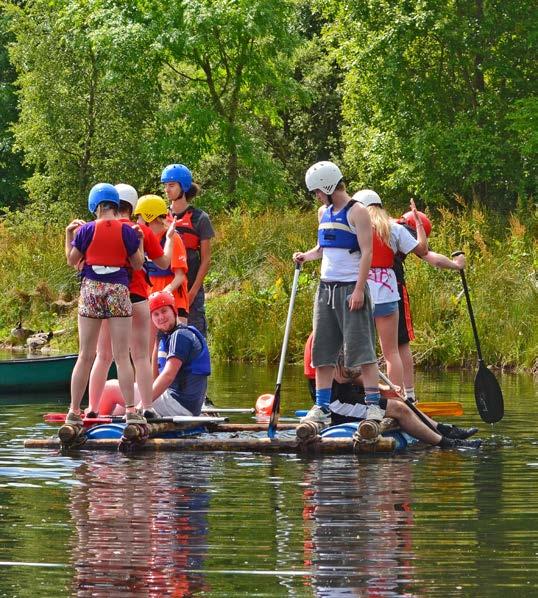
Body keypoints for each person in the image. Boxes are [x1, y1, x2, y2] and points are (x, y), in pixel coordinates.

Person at [293, 161, 383, 423]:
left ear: (329, 186)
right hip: (326, 289)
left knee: (362, 349)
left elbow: (367, 252)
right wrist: (305, 256)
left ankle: (373, 404)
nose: (317, 197)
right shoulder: (324, 212)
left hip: (350, 288)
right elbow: (321, 249)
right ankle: (322, 407)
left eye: (318, 191)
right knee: (323, 350)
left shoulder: (358, 212)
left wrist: (358, 290)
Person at [86, 184, 175, 417]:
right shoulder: (140, 230)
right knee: (141, 356)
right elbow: (164, 263)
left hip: (110, 299)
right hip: (137, 299)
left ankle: (92, 408)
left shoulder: (100, 229)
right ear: (132, 205)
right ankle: (146, 407)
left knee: (103, 356)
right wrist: (171, 239)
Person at [63, 183, 146, 425]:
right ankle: (131, 411)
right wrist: (139, 242)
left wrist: (69, 235)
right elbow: (138, 264)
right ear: (115, 205)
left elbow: (72, 260)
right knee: (122, 356)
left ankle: (74, 411)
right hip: (119, 290)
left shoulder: (86, 230)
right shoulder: (128, 231)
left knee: (86, 355)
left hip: (91, 289)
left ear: (95, 206)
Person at [352, 190, 427, 394]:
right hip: (387, 296)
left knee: (363, 353)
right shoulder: (394, 229)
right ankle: (398, 398)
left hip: (361, 295)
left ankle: (370, 398)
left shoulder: (355, 228)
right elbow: (423, 250)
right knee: (391, 352)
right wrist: (418, 223)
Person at [96, 291, 211, 418]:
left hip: (178, 404)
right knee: (120, 407)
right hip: (178, 402)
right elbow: (155, 379)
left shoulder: (181, 336)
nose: (160, 317)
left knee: (109, 389)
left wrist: (142, 405)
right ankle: (107, 420)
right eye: (155, 314)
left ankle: (93, 425)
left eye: (164, 311)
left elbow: (168, 375)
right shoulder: (166, 338)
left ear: (174, 311)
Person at [327, 357, 481, 448]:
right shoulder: (328, 336)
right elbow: (341, 377)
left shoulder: (344, 331)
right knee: (398, 408)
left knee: (398, 400)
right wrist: (367, 364)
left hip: (350, 393)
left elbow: (352, 376)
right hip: (338, 402)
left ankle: (444, 429)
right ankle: (447, 444)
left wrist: (382, 388)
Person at [394, 210, 467, 403]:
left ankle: (373, 394)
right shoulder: (405, 231)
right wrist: (456, 265)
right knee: (401, 344)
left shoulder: (382, 225)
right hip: (393, 290)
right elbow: (429, 256)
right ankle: (408, 395)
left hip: (363, 289)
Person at [162, 164, 215, 336]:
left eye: (171, 185)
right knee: (163, 338)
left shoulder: (200, 218)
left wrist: (192, 292)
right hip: (166, 286)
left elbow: (206, 259)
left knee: (194, 337)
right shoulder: (161, 217)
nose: (166, 190)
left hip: (191, 286)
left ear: (183, 186)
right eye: (165, 185)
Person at [134, 194, 189, 323]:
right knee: (150, 342)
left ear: (150, 217)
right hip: (151, 299)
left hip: (174, 300)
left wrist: (165, 292)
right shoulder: (143, 239)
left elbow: (180, 276)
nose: (137, 221)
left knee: (177, 340)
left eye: (139, 217)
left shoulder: (172, 238)